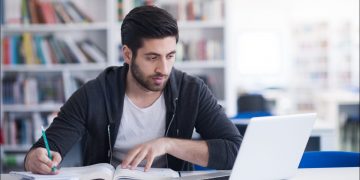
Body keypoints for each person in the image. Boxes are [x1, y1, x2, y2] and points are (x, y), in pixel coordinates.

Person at [24, 6, 242, 174]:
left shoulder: (192, 91)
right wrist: (36, 158)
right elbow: (44, 149)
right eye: (152, 57)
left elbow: (235, 151)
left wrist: (167, 145)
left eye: (170, 56)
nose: (163, 69)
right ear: (127, 55)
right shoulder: (93, 94)